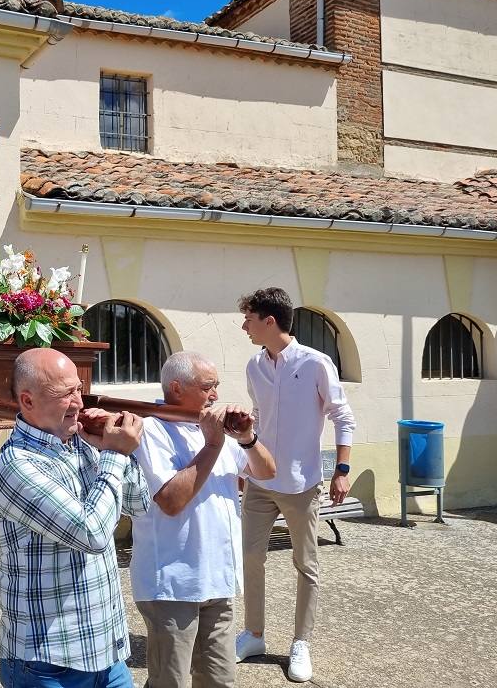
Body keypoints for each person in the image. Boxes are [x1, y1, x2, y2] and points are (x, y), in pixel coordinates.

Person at [0, 348, 150, 688]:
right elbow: (91, 533)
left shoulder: (83, 443)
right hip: (49, 663)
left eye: (78, 389)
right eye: (65, 394)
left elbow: (140, 503)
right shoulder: (17, 465)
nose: (78, 402)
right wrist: (114, 453)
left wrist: (111, 447)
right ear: (28, 401)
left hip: (105, 652)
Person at [131, 352, 275, 688]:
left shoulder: (214, 428)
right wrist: (212, 445)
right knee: (171, 682)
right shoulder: (151, 430)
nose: (215, 395)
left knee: (219, 681)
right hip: (172, 584)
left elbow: (267, 471)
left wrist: (247, 438)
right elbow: (171, 500)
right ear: (178, 388)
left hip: (218, 580)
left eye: (216, 387)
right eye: (208, 387)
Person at [235, 288, 356, 682]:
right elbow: (256, 415)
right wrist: (243, 463)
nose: (244, 327)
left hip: (303, 485)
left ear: (270, 322)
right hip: (259, 482)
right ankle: (253, 633)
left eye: (249, 320)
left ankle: (301, 642)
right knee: (251, 558)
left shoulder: (316, 363)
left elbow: (343, 416)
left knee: (306, 565)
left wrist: (341, 468)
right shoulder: (254, 365)